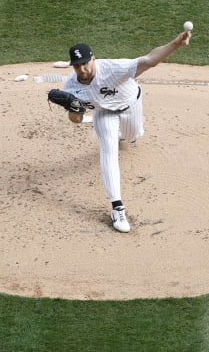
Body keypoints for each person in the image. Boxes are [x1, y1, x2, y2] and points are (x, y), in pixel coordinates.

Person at [60, 29, 192, 232]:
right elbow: (76, 120)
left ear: (93, 59)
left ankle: (123, 134)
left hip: (130, 104)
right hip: (103, 113)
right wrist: (73, 109)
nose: (82, 69)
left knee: (133, 136)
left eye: (85, 63)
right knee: (108, 151)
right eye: (77, 66)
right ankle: (117, 207)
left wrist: (175, 43)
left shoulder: (113, 68)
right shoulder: (71, 86)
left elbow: (149, 61)